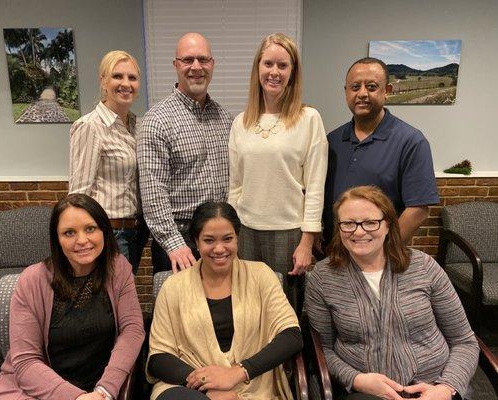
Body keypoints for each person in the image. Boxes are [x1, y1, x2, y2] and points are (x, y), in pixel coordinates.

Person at [305, 186, 478, 400]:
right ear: (339, 228)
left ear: (388, 225)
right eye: (348, 223)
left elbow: (464, 341)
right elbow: (322, 350)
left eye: (370, 222)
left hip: (435, 386)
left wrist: (446, 388)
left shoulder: (424, 267)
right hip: (367, 393)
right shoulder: (323, 278)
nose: (358, 231)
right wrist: (356, 379)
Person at [0, 193, 145, 400]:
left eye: (90, 229)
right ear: (57, 239)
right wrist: (77, 398)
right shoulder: (32, 280)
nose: (82, 240)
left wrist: (104, 390)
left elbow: (132, 330)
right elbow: (26, 361)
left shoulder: (119, 269)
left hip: (100, 385)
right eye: (69, 233)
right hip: (41, 387)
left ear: (104, 231)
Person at [146, 201, 303, 400]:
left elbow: (291, 336)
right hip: (188, 389)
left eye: (227, 239)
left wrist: (237, 373)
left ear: (237, 238)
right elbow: (159, 357)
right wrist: (206, 387)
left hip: (252, 389)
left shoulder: (261, 275)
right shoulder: (173, 286)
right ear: (196, 241)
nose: (219, 249)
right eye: (209, 240)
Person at [228, 32, 328, 305]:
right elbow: (235, 186)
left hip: (289, 234)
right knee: (248, 308)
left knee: (286, 312)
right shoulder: (241, 122)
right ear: (257, 68)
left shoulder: (309, 119)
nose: (274, 72)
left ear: (293, 73)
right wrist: (232, 234)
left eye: (283, 66)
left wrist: (307, 241)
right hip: (246, 232)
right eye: (268, 64)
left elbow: (316, 185)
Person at [138, 33, 233, 274]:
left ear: (212, 64)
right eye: (187, 60)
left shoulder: (225, 119)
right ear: (176, 65)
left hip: (220, 236)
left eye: (203, 59)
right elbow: (153, 191)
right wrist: (174, 245)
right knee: (180, 311)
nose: (196, 67)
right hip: (180, 239)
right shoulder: (157, 121)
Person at [323, 57, 439, 246]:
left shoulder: (411, 142)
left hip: (383, 259)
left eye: (371, 87)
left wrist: (383, 251)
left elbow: (418, 209)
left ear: (387, 91)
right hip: (333, 254)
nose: (362, 93)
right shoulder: (331, 140)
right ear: (346, 92)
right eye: (355, 87)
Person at [69, 50, 148, 274]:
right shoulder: (90, 126)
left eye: (132, 78)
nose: (126, 84)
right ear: (103, 81)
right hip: (108, 232)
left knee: (123, 295)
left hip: (135, 230)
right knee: (109, 301)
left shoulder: (138, 125)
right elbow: (79, 194)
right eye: (117, 76)